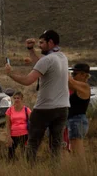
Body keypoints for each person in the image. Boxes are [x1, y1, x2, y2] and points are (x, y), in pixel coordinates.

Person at [6, 30, 69, 163]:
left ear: (50, 42)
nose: (39, 46)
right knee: (56, 144)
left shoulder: (47, 60)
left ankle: (30, 170)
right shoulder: (62, 57)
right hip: (62, 107)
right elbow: (41, 64)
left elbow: (28, 80)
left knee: (33, 142)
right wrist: (30, 50)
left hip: (45, 108)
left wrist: (10, 74)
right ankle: (55, 169)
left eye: (41, 43)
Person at [67, 63, 91, 157]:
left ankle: (82, 170)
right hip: (73, 120)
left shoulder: (84, 86)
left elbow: (70, 82)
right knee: (75, 152)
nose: (73, 76)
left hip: (77, 120)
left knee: (78, 152)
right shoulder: (79, 86)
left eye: (74, 74)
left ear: (83, 75)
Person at [4, 91, 32, 160]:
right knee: (11, 153)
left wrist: (31, 136)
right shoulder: (9, 110)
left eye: (18, 98)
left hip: (25, 134)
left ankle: (25, 165)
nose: (16, 100)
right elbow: (8, 124)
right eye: (15, 98)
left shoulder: (26, 110)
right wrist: (9, 136)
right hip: (13, 134)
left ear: (22, 99)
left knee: (24, 152)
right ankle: (12, 166)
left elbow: (32, 123)